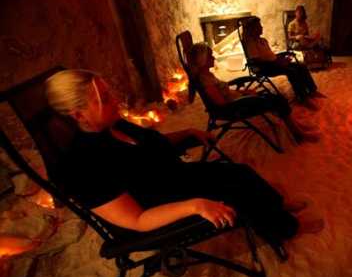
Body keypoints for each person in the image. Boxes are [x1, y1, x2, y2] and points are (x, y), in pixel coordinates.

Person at [45, 69, 301, 249]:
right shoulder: (82, 166)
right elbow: (137, 220)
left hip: (174, 179)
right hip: (163, 204)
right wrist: (195, 205)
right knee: (235, 188)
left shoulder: (114, 126)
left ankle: (276, 209)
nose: (116, 100)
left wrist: (186, 133)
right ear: (78, 115)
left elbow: (150, 145)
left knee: (239, 172)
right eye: (104, 99)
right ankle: (283, 229)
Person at [187, 42, 319, 143]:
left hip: (237, 101)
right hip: (234, 108)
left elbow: (224, 93)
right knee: (277, 99)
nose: (213, 56)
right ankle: (298, 134)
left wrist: (243, 91)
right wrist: (246, 96)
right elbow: (222, 103)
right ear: (202, 60)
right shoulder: (205, 80)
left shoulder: (207, 75)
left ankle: (296, 127)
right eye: (210, 55)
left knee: (273, 97)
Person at [241, 17, 325, 110]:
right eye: (259, 26)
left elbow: (271, 55)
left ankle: (312, 90)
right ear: (252, 29)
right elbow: (256, 61)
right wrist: (277, 63)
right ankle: (302, 97)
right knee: (292, 71)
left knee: (301, 65)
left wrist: (281, 58)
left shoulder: (263, 40)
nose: (262, 27)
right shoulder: (251, 43)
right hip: (264, 67)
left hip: (274, 62)